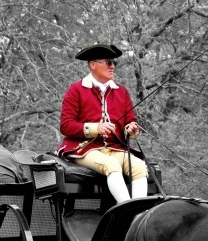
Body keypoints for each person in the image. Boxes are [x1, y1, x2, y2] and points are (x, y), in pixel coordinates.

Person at [56, 43, 148, 203]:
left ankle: (139, 215)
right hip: (84, 149)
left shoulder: (121, 92)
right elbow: (66, 125)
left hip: (115, 148)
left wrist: (131, 128)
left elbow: (130, 120)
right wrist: (95, 128)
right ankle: (126, 211)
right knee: (111, 165)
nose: (113, 66)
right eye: (108, 62)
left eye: (114, 63)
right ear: (93, 65)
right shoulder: (76, 90)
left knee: (140, 166)